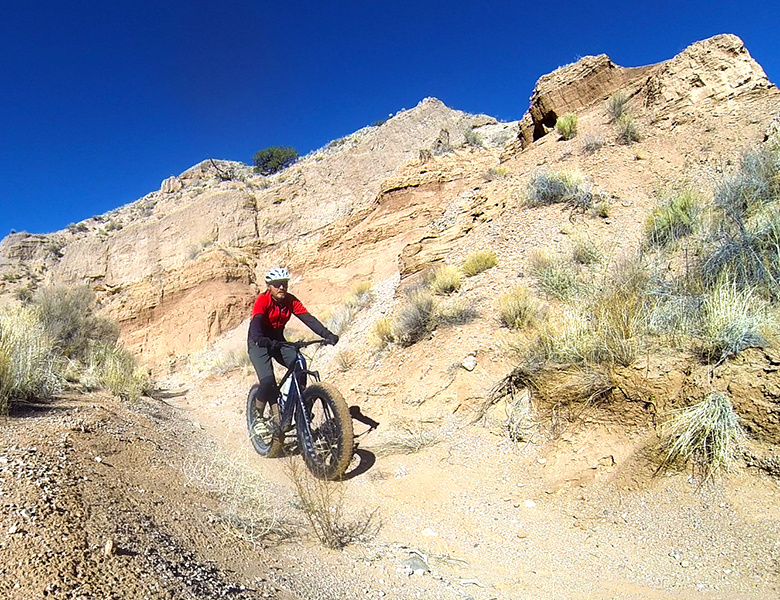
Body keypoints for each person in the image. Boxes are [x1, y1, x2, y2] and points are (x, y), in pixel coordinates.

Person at [247, 267, 338, 429]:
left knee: (299, 364)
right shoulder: (263, 300)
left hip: (278, 340)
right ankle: (258, 418)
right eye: (277, 284)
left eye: (284, 284)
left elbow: (308, 319)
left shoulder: (291, 301)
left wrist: (327, 334)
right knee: (267, 381)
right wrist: (261, 339)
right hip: (258, 341)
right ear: (269, 286)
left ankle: (300, 409)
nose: (281, 287)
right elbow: (256, 324)